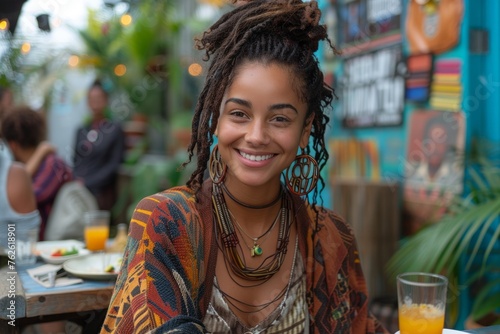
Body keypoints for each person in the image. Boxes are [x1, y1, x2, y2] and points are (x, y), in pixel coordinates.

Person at [101, 1, 388, 333]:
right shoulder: (168, 223)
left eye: (280, 119)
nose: (256, 136)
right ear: (216, 116)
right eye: (239, 113)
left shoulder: (330, 238)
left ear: (306, 128)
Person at [1, 105, 74, 241]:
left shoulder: (53, 164)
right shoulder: (35, 163)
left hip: (51, 248)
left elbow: (24, 197)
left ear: (12, 145)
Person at [73, 79, 126, 212]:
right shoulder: (81, 130)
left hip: (101, 191)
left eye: (99, 98)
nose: (95, 102)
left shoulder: (114, 129)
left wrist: (88, 183)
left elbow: (114, 165)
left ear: (106, 100)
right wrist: (76, 181)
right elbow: (76, 161)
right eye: (91, 98)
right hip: (79, 188)